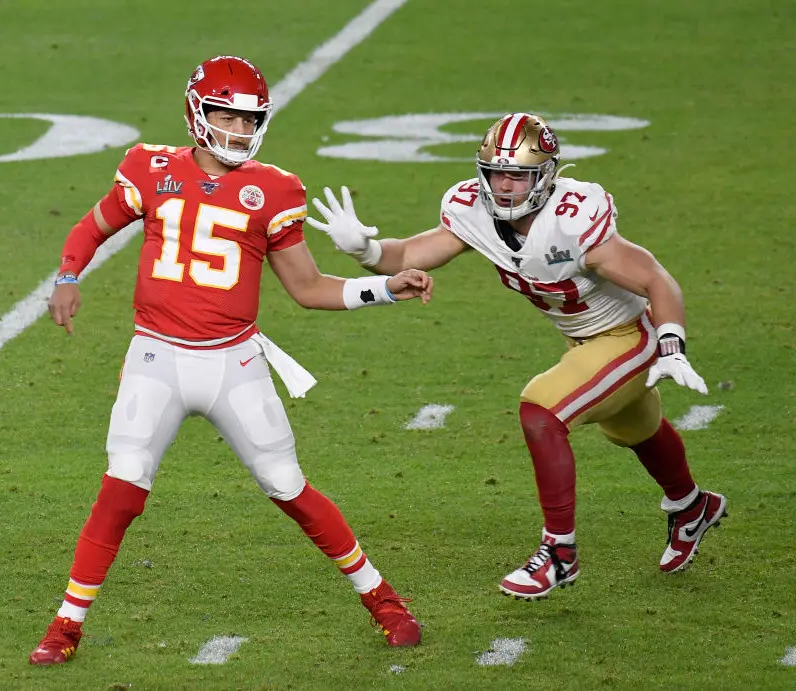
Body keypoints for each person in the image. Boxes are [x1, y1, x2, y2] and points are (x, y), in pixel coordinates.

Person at [28, 56, 430, 666]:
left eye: (249, 120)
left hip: (233, 362)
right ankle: (65, 626)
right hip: (156, 357)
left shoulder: (274, 189)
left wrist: (384, 287)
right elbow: (93, 225)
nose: (240, 131)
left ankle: (385, 601)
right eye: (227, 116)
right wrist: (66, 273)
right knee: (122, 485)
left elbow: (308, 287)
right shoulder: (150, 169)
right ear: (197, 112)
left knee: (287, 485)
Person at [307, 112, 726, 600]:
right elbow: (412, 253)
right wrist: (367, 249)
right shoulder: (472, 211)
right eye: (495, 173)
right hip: (584, 339)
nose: (504, 186)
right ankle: (693, 506)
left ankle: (559, 554)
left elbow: (655, 278)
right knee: (634, 428)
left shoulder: (571, 219)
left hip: (631, 335)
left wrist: (671, 343)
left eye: (518, 175)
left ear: (545, 176)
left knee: (541, 410)